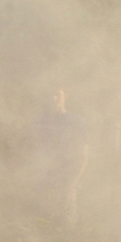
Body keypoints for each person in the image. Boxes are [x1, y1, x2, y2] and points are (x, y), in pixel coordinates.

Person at [34, 87, 89, 223]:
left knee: (66, 222)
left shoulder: (76, 122)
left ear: (66, 97)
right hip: (45, 181)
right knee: (43, 222)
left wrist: (74, 181)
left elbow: (82, 154)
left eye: (57, 95)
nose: (54, 98)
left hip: (67, 180)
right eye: (51, 95)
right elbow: (34, 150)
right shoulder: (40, 121)